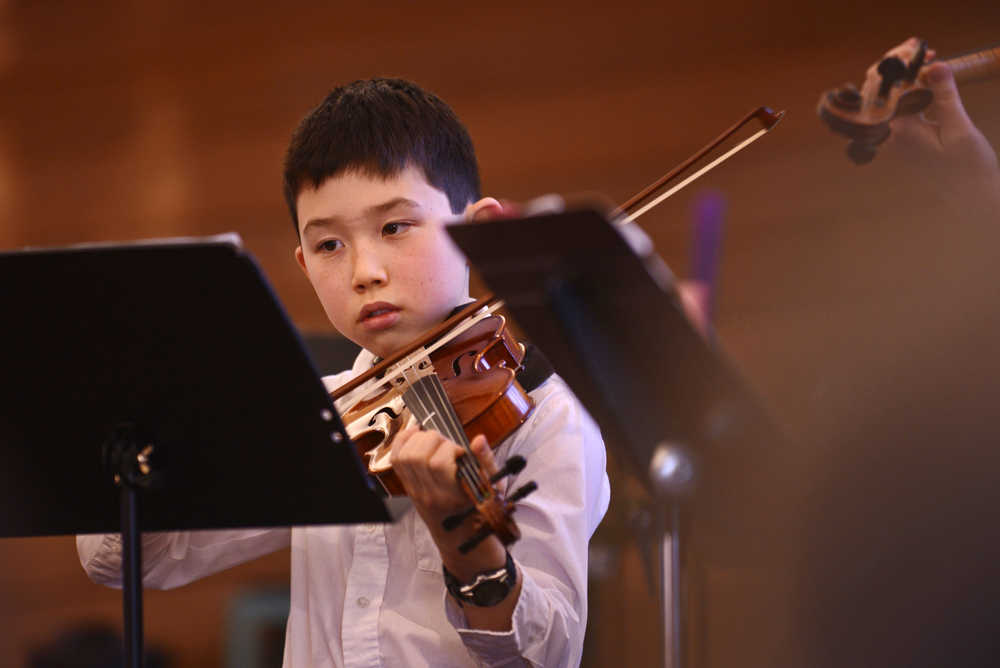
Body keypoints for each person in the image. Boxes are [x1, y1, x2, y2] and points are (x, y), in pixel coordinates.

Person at [78, 78, 611, 668]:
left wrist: (471, 550)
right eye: (330, 245)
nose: (364, 271)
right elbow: (129, 559)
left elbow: (550, 654)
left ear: (478, 233)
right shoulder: (322, 413)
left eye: (394, 227)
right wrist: (155, 403)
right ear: (304, 264)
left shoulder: (546, 416)